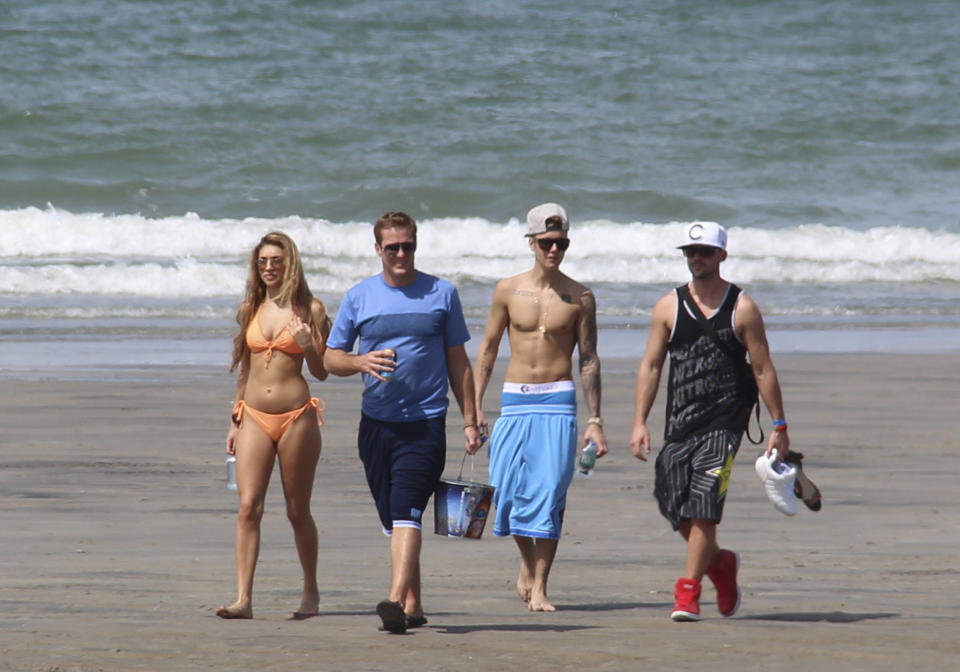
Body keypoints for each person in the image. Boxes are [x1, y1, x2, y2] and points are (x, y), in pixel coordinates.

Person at [324, 211, 483, 634]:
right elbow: (329, 357)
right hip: (375, 425)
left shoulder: (442, 294)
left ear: (416, 245)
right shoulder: (359, 297)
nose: (400, 253)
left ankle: (394, 601)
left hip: (426, 422)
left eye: (407, 245)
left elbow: (457, 360)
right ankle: (413, 602)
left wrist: (471, 417)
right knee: (393, 518)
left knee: (406, 510)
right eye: (391, 247)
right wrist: (359, 360)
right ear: (377, 249)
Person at [629, 221, 791, 622]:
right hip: (680, 421)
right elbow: (651, 366)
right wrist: (638, 421)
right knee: (673, 504)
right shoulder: (668, 306)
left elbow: (763, 367)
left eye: (704, 251)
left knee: (703, 505)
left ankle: (687, 592)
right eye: (690, 251)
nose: (696, 258)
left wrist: (780, 425)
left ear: (722, 255)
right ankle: (720, 564)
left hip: (726, 420)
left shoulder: (743, 307)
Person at [474, 203, 608, 612]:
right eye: (547, 242)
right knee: (508, 493)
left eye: (561, 242)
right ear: (531, 243)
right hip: (514, 400)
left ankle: (542, 586)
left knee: (549, 494)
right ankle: (527, 562)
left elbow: (588, 358)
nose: (554, 249)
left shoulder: (580, 296)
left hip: (557, 402)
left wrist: (595, 420)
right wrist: (473, 408)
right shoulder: (508, 290)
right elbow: (488, 350)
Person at [217, 231, 330, 619]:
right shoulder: (251, 307)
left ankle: (311, 592)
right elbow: (244, 368)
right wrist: (235, 418)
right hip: (253, 416)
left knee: (297, 510)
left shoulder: (309, 309)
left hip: (296, 417)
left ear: (290, 263)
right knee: (248, 506)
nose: (268, 267)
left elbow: (322, 371)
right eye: (262, 261)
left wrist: (308, 344)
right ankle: (243, 600)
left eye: (276, 261)